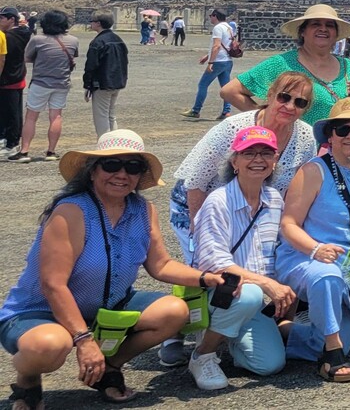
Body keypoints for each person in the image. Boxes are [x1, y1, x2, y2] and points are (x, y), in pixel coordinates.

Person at [0, 130, 222, 407]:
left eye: (133, 167)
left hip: (106, 307)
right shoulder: (71, 211)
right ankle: (28, 379)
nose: (122, 174)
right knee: (48, 346)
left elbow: (160, 264)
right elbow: (52, 284)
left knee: (174, 312)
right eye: (112, 164)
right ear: (92, 171)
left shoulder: (142, 209)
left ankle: (108, 367)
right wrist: (83, 340)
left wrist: (207, 277)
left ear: (140, 175)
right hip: (40, 311)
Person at [163, 72, 317, 367]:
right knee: (201, 266)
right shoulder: (234, 127)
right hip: (203, 202)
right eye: (284, 97)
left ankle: (232, 328)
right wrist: (199, 229)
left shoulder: (305, 136)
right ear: (270, 95)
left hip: (258, 205)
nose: (289, 106)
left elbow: (297, 184)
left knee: (247, 271)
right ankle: (179, 333)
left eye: (299, 102)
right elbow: (195, 179)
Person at [276, 98, 350, 382]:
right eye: (342, 129)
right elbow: (288, 224)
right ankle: (332, 355)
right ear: (330, 134)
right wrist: (315, 249)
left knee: (332, 339)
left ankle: (286, 330)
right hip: (307, 257)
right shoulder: (313, 171)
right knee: (327, 277)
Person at [187, 126, 296, 389]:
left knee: (269, 365)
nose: (258, 160)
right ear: (234, 161)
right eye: (249, 153)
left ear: (275, 160)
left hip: (252, 304)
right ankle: (203, 354)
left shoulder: (274, 200)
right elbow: (215, 264)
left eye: (265, 153)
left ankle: (227, 333)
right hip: (219, 293)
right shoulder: (218, 201)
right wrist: (268, 285)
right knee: (249, 294)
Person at [220, 5, 350, 125]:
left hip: (342, 152)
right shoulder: (282, 63)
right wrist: (267, 119)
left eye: (330, 25)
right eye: (315, 24)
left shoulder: (348, 66)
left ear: (336, 34)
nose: (323, 29)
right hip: (300, 153)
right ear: (303, 32)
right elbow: (230, 91)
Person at [12, 10, 79, 163]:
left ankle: (24, 151)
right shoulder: (73, 40)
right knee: (56, 116)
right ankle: (51, 151)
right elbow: (73, 56)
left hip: (41, 82)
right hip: (62, 83)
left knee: (31, 117)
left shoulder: (38, 39)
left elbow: (27, 58)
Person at [181, 9, 234, 121]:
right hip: (227, 61)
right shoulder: (229, 28)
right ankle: (226, 111)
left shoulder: (218, 28)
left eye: (211, 16)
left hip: (218, 61)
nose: (210, 18)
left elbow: (217, 46)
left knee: (203, 85)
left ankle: (196, 110)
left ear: (215, 16)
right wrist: (207, 56)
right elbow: (225, 45)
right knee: (226, 88)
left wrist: (210, 62)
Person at [83, 11, 129, 137]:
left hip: (102, 84)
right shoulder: (118, 40)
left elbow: (91, 66)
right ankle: (114, 142)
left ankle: (105, 145)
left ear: (98, 23)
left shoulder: (98, 42)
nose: (91, 23)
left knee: (101, 117)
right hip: (117, 82)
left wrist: (87, 85)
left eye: (92, 21)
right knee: (111, 115)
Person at [1, 7, 32, 156]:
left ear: (11, 19)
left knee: (10, 113)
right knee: (13, 112)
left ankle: (11, 143)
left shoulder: (8, 37)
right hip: (18, 77)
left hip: (8, 78)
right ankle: (10, 141)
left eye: (2, 18)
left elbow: (3, 59)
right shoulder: (23, 33)